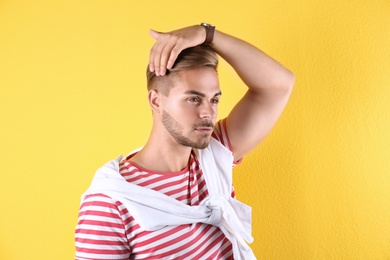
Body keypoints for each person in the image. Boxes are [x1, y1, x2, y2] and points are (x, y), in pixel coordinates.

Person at [75, 23, 295, 260]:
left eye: (214, 100)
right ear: (156, 101)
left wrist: (208, 34)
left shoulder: (214, 155)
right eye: (193, 99)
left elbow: (279, 84)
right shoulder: (110, 202)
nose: (208, 113)